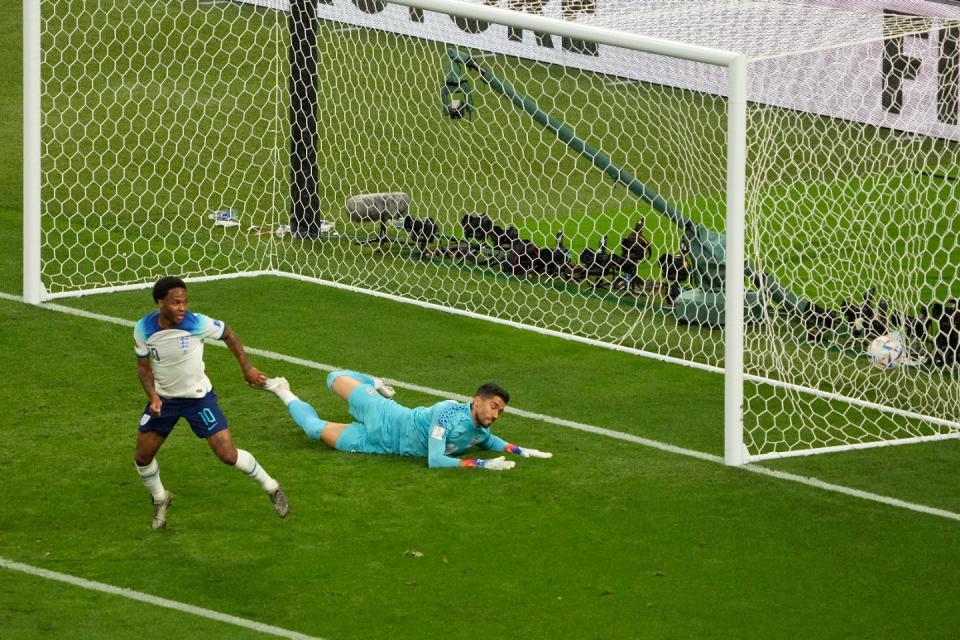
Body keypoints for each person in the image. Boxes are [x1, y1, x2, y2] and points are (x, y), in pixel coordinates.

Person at [133, 276, 289, 529]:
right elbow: (143, 368)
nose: (182, 307)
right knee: (142, 456)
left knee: (228, 455)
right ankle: (161, 498)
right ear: (160, 302)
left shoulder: (197, 323)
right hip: (165, 401)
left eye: (184, 302)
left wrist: (246, 368)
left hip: (198, 399)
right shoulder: (143, 329)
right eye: (175, 303)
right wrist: (152, 396)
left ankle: (272, 487)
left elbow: (229, 334)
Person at [261, 371, 553, 470]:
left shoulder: (479, 430)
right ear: (477, 401)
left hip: (382, 446)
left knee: (313, 430)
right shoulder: (448, 413)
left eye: (500, 411)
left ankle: (282, 391)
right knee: (333, 378)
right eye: (493, 407)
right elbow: (435, 461)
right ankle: (374, 382)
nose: (495, 415)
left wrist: (519, 449)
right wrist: (481, 464)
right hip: (386, 415)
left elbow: (489, 440)